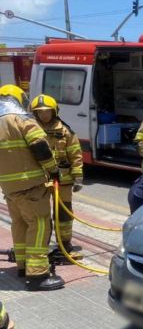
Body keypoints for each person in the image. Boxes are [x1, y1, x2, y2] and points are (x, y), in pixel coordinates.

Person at [0, 84, 64, 291]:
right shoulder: (22, 120)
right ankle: (37, 276)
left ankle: (23, 266)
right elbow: (40, 147)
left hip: (9, 189)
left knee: (19, 224)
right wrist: (54, 171)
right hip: (31, 187)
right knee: (39, 226)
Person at [30, 94, 84, 261]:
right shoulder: (30, 130)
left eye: (47, 111)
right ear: (34, 113)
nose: (44, 115)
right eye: (40, 112)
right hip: (39, 181)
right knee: (41, 214)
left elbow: (75, 155)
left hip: (63, 182)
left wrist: (78, 177)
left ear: (54, 112)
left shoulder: (65, 132)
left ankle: (64, 244)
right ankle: (42, 244)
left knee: (64, 214)